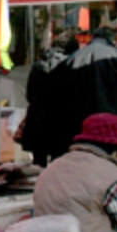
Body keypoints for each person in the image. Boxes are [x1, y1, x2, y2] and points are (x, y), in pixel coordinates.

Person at [49, 25, 117, 153]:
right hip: (111, 121)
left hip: (81, 122)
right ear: (113, 39)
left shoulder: (74, 57)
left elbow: (62, 92)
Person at [20, 32, 79, 166]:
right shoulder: (73, 66)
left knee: (38, 162)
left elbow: (30, 94)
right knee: (59, 162)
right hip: (63, 121)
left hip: (38, 118)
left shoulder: (39, 65)